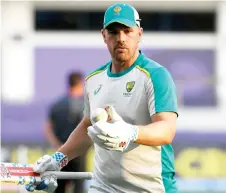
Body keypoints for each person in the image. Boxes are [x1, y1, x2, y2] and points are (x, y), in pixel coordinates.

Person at [25, 3, 178, 193]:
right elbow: (87, 127)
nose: (121, 38)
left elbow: (166, 130)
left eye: (127, 31)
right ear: (104, 36)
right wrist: (58, 160)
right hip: (103, 187)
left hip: (151, 188)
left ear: (139, 33)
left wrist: (130, 132)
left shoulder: (155, 75)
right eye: (113, 32)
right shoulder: (93, 80)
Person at [44, 72, 85, 193]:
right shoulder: (85, 104)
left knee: (59, 187)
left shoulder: (57, 104)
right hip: (78, 153)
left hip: (60, 152)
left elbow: (47, 127)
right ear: (80, 83)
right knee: (78, 187)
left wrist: (56, 144)